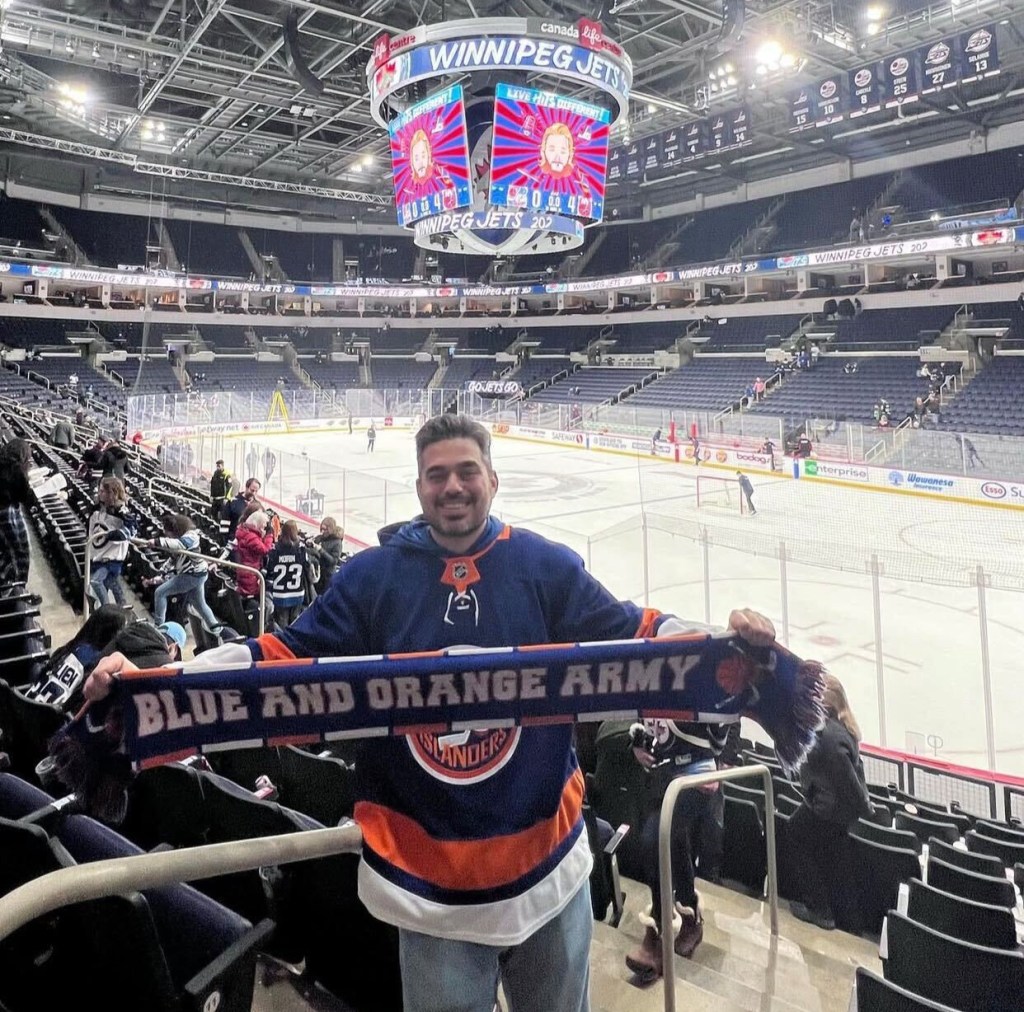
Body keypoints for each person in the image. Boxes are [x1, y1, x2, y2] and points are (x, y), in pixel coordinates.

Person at [84, 413, 777, 1012]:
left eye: (467, 471)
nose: (452, 485)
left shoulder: (544, 566)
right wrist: (156, 682)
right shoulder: (372, 576)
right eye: (437, 474)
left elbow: (634, 632)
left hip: (549, 871)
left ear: (492, 480)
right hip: (429, 889)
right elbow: (280, 659)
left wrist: (725, 647)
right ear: (419, 487)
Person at [625, 717, 731, 979]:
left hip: (697, 772)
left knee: (654, 840)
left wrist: (722, 755)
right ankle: (690, 916)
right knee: (674, 837)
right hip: (662, 772)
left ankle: (657, 936)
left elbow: (729, 707)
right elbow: (638, 704)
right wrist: (637, 743)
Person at [786, 674, 871, 930]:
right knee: (835, 861)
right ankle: (841, 918)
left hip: (828, 809)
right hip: (827, 806)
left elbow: (849, 783)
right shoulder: (833, 729)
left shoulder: (832, 738)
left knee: (796, 832)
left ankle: (821, 910)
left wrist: (864, 806)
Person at [22, 604, 127, 710]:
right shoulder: (96, 662)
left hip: (27, 706)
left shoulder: (70, 648)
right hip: (47, 720)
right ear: (111, 633)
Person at [143, 513, 220, 630]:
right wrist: (161, 573)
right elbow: (172, 559)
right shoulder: (178, 539)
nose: (166, 535)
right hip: (195, 575)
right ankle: (216, 628)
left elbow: (180, 545)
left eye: (167, 532)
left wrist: (157, 541)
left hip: (193, 575)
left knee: (160, 592)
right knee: (200, 605)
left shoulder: (191, 536)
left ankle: (159, 627)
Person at [86, 477, 137, 611]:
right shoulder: (96, 507)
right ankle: (121, 606)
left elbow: (132, 529)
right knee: (109, 582)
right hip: (98, 554)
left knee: (96, 582)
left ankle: (106, 609)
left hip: (112, 558)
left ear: (112, 493)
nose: (99, 493)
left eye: (103, 491)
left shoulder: (122, 510)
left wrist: (114, 535)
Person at [0, 438, 34, 587]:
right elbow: (26, 497)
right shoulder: (16, 469)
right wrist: (26, 474)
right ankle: (17, 588)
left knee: (6, 552)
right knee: (19, 553)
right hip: (7, 514)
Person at [264, 521, 310, 628]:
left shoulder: (275, 549)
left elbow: (269, 570)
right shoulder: (301, 549)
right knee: (295, 622)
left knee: (282, 625)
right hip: (297, 592)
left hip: (280, 594)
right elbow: (307, 567)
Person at [233, 510, 274, 603]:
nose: (264, 527)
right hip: (250, 575)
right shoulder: (250, 536)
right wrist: (269, 536)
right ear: (257, 524)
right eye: (263, 525)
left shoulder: (246, 532)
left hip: (246, 571)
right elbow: (264, 550)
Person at [306, 516, 348, 593]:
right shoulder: (319, 538)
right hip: (317, 573)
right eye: (321, 529)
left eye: (325, 529)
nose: (322, 531)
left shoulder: (337, 542)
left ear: (330, 529)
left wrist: (321, 550)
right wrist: (310, 545)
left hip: (327, 577)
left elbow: (333, 561)